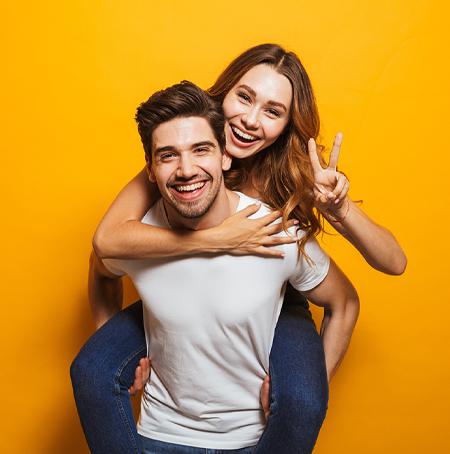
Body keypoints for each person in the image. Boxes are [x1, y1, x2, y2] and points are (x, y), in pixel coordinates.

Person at [71, 44, 406, 453]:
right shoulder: (184, 147)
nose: (249, 120)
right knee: (93, 369)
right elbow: (106, 242)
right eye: (244, 97)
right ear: (224, 93)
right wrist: (216, 239)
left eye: (272, 111)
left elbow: (392, 263)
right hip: (179, 284)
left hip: (276, 301)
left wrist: (339, 207)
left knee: (300, 401)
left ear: (286, 125)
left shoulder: (294, 174)